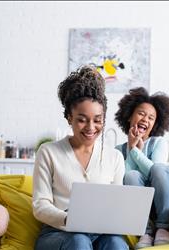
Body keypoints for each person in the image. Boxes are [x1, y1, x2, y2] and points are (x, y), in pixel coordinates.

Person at [33, 65, 128, 250]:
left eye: (98, 119)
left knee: (117, 244)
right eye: (82, 119)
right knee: (79, 241)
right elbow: (40, 205)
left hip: (100, 233)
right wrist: (70, 219)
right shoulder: (48, 152)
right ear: (69, 117)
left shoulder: (115, 157)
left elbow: (116, 207)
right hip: (57, 233)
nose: (91, 127)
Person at [115, 87, 169, 249]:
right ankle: (146, 232)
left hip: (160, 204)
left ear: (155, 124)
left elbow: (155, 171)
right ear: (129, 117)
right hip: (136, 210)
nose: (145, 120)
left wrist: (135, 151)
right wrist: (130, 147)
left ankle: (163, 228)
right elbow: (124, 179)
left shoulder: (159, 143)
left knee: (159, 168)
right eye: (141, 114)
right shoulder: (118, 150)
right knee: (131, 176)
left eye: (151, 118)